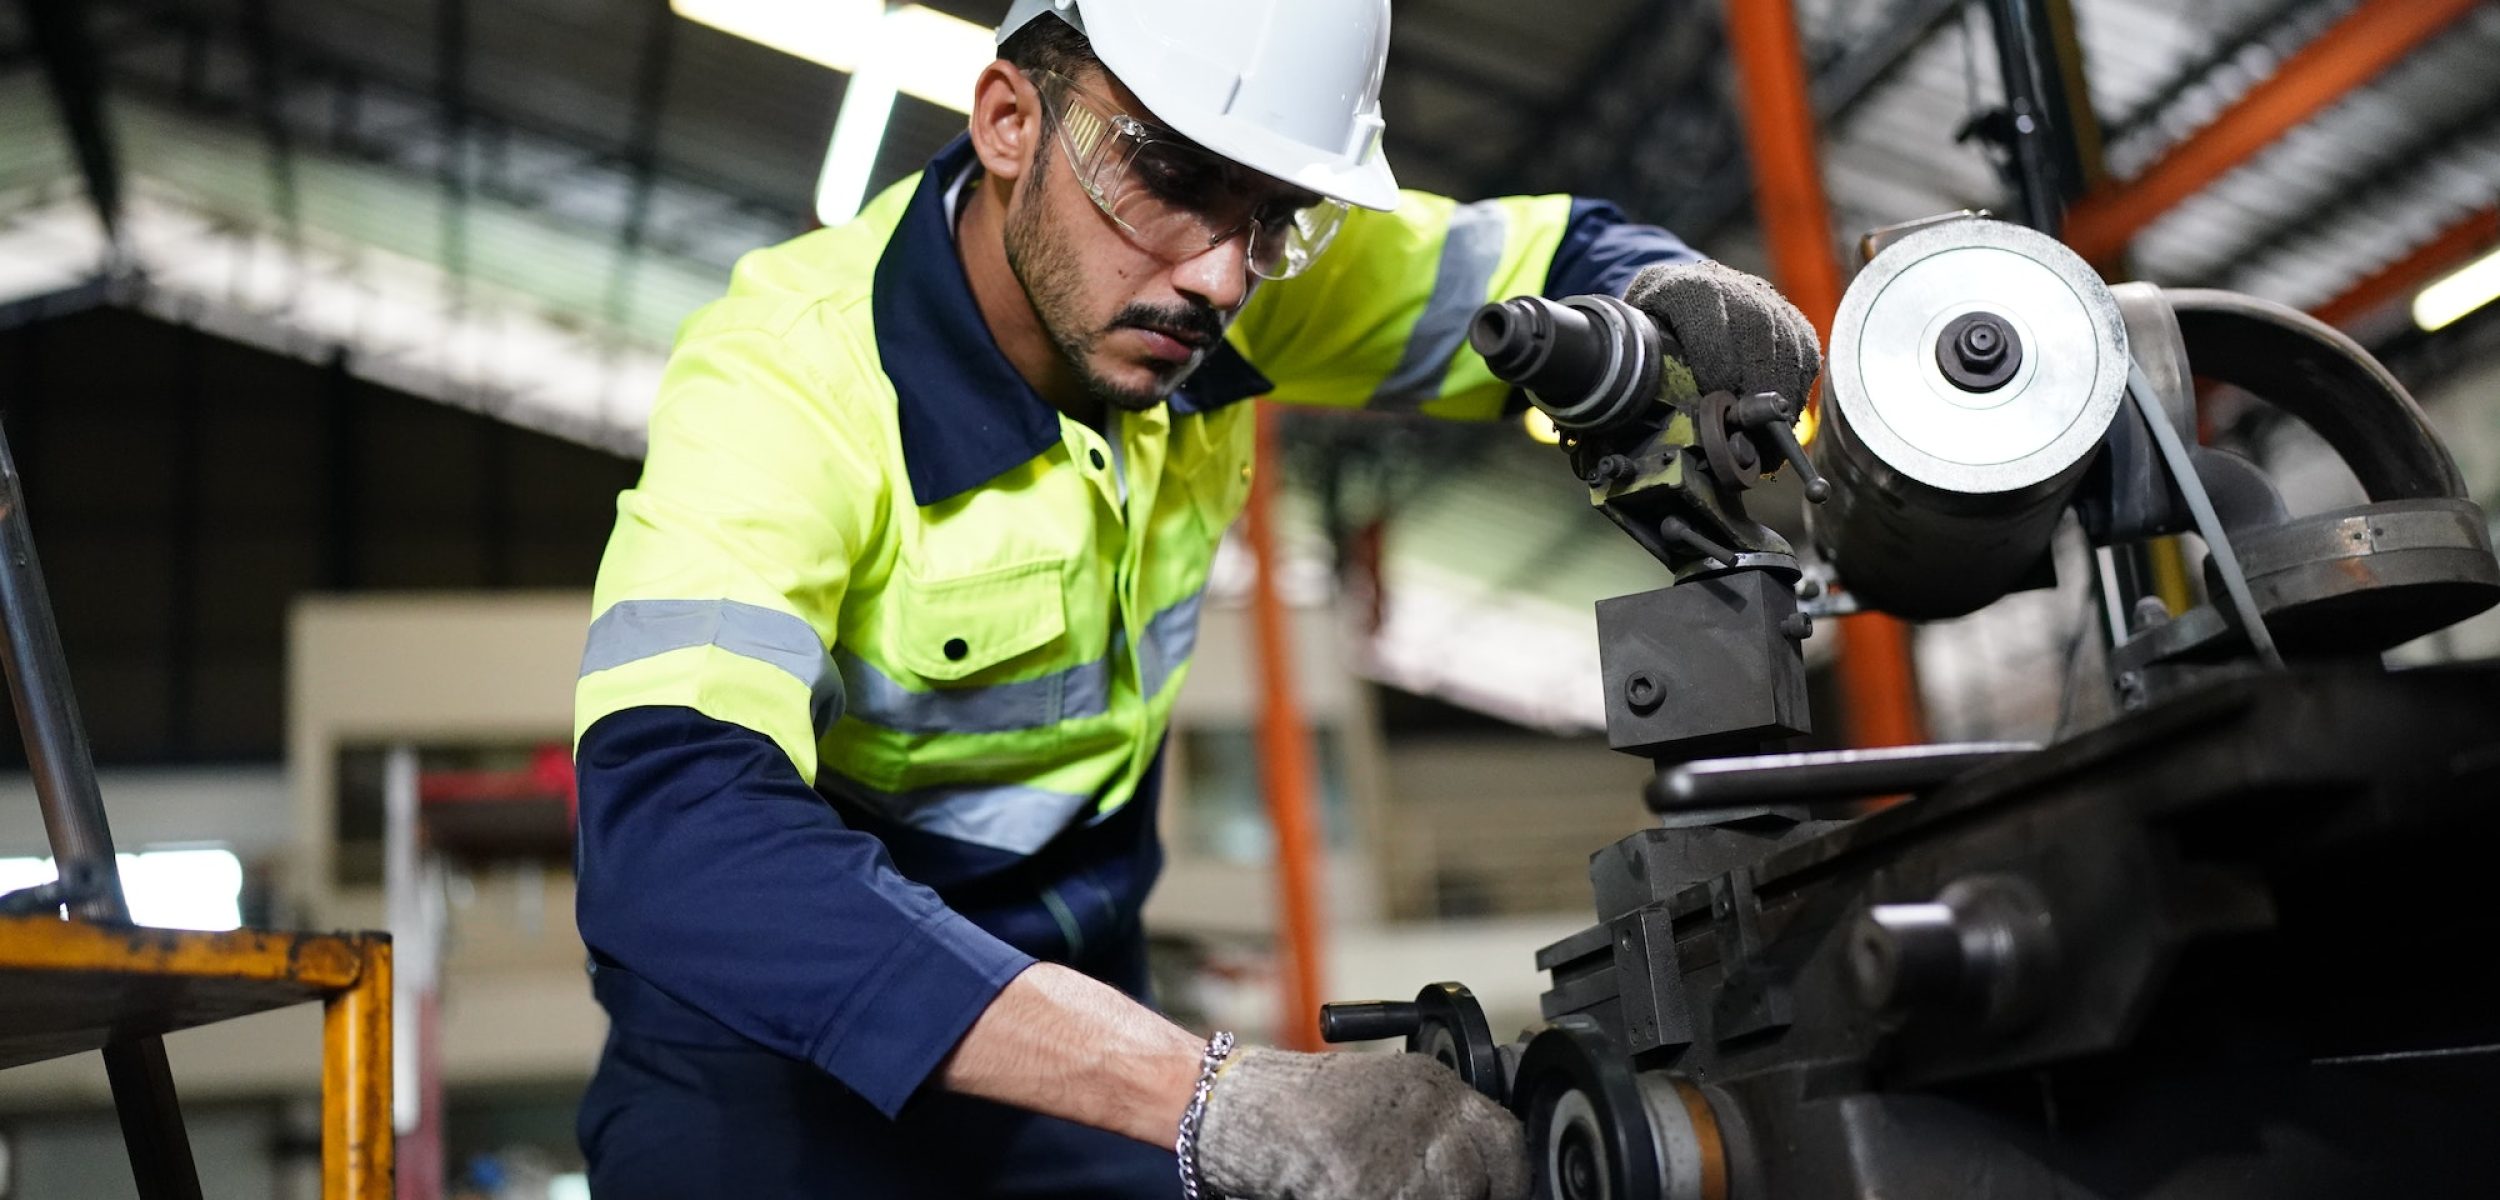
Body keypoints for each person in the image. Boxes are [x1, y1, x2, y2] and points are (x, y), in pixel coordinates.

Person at [569, 0, 1820, 1196]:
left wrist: (1668, 297)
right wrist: (1204, 1093)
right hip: (767, 1052)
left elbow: (1550, 264)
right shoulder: (788, 386)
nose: (1222, 278)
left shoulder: (1223, 287)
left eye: (1275, 214)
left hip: (1073, 1015)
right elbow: (678, 831)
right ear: (1009, 120)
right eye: (1168, 175)